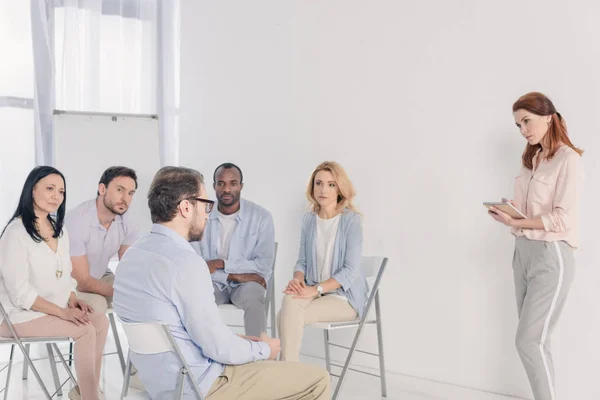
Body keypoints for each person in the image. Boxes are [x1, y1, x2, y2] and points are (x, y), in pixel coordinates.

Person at [113, 166, 330, 399]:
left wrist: (242, 341)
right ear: (186, 207)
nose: (208, 213)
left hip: (161, 386)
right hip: (204, 387)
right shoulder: (186, 264)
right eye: (205, 204)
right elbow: (218, 349)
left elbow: (182, 334)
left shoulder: (130, 258)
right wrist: (265, 349)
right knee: (318, 380)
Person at [488, 92, 584, 400]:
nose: (523, 130)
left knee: (528, 341)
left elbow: (561, 219)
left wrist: (517, 222)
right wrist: (513, 212)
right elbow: (531, 214)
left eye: (527, 121)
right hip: (522, 255)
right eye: (518, 125)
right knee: (536, 342)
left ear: (548, 117)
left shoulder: (568, 159)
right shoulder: (531, 160)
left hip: (550, 256)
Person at [0, 166, 108, 400]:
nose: (56, 196)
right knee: (85, 330)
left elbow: (66, 276)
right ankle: (92, 398)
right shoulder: (15, 233)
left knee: (100, 321)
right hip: (17, 316)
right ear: (31, 191)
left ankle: (82, 392)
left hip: (50, 311)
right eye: (50, 189)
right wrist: (62, 312)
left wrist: (74, 300)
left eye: (61, 191)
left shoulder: (59, 229)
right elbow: (20, 295)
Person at [278, 161, 368, 361]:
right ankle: (287, 375)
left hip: (344, 298)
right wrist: (298, 280)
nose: (323, 189)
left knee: (284, 316)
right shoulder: (309, 220)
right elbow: (301, 261)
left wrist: (316, 289)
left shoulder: (351, 221)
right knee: (289, 303)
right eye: (318, 183)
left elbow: (349, 271)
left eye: (331, 184)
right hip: (315, 292)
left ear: (340, 189)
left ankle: (284, 374)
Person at [192, 163, 275, 337]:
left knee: (254, 297)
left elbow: (264, 266)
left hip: (246, 285)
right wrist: (234, 275)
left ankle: (260, 356)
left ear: (241, 186)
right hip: (213, 283)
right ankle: (202, 355)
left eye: (233, 183)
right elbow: (197, 266)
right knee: (195, 297)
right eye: (221, 183)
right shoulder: (200, 214)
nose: (226, 189)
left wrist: (222, 264)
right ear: (214, 186)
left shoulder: (261, 217)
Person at [66, 166, 139, 316]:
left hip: (101, 275)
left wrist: (134, 291)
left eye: (130, 193)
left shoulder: (127, 220)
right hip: (70, 284)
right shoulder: (77, 220)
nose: (125, 198)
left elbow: (129, 267)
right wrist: (121, 293)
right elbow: (82, 282)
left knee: (144, 299)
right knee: (97, 306)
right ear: (102, 189)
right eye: (120, 190)